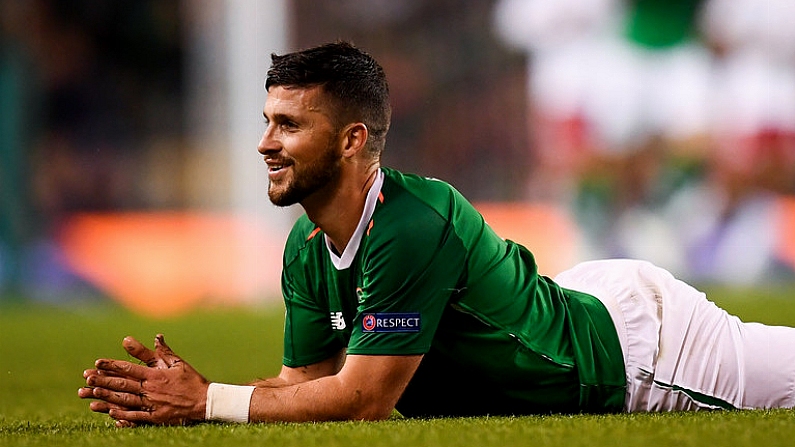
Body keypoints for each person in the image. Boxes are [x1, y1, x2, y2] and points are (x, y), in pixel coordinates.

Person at [79, 41, 795, 427]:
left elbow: (363, 399)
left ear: (354, 138)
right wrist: (189, 397)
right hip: (566, 303)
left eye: (289, 124)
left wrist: (209, 402)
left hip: (636, 351)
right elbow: (306, 384)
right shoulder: (304, 247)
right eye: (267, 121)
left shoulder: (411, 224)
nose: (265, 142)